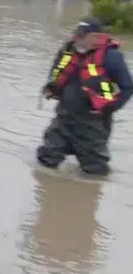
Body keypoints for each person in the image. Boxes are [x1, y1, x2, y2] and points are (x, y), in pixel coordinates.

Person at [36, 18, 132, 176]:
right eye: (77, 35)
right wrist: (51, 87)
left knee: (95, 171)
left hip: (93, 122)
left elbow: (127, 88)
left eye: (82, 36)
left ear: (95, 37)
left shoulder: (111, 57)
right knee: (46, 158)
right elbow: (56, 70)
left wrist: (109, 108)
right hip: (64, 116)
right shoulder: (68, 50)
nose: (77, 39)